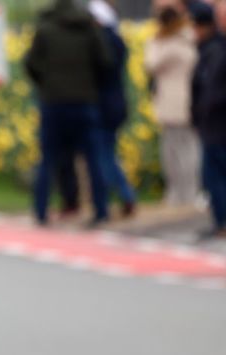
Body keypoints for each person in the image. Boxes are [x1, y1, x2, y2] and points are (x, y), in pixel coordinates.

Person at [25, 0, 113, 227]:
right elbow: (105, 62)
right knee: (93, 158)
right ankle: (101, 210)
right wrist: (91, 86)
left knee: (48, 159)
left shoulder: (45, 28)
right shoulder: (88, 27)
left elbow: (31, 63)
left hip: (53, 101)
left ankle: (41, 211)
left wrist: (46, 84)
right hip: (84, 101)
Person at [145, 1, 201, 206]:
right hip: (171, 101)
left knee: (187, 149)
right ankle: (177, 192)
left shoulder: (182, 40)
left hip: (184, 100)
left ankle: (188, 192)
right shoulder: (178, 40)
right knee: (172, 150)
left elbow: (152, 63)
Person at [89, 0, 137, 217]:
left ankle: (120, 195)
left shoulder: (99, 44)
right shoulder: (117, 41)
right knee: (108, 152)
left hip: (102, 105)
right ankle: (122, 195)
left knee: (103, 155)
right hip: (116, 103)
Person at [191, 1, 226, 238]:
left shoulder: (215, 50)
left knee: (215, 173)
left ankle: (222, 221)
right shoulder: (212, 48)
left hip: (216, 123)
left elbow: (212, 89)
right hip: (213, 122)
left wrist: (202, 112)